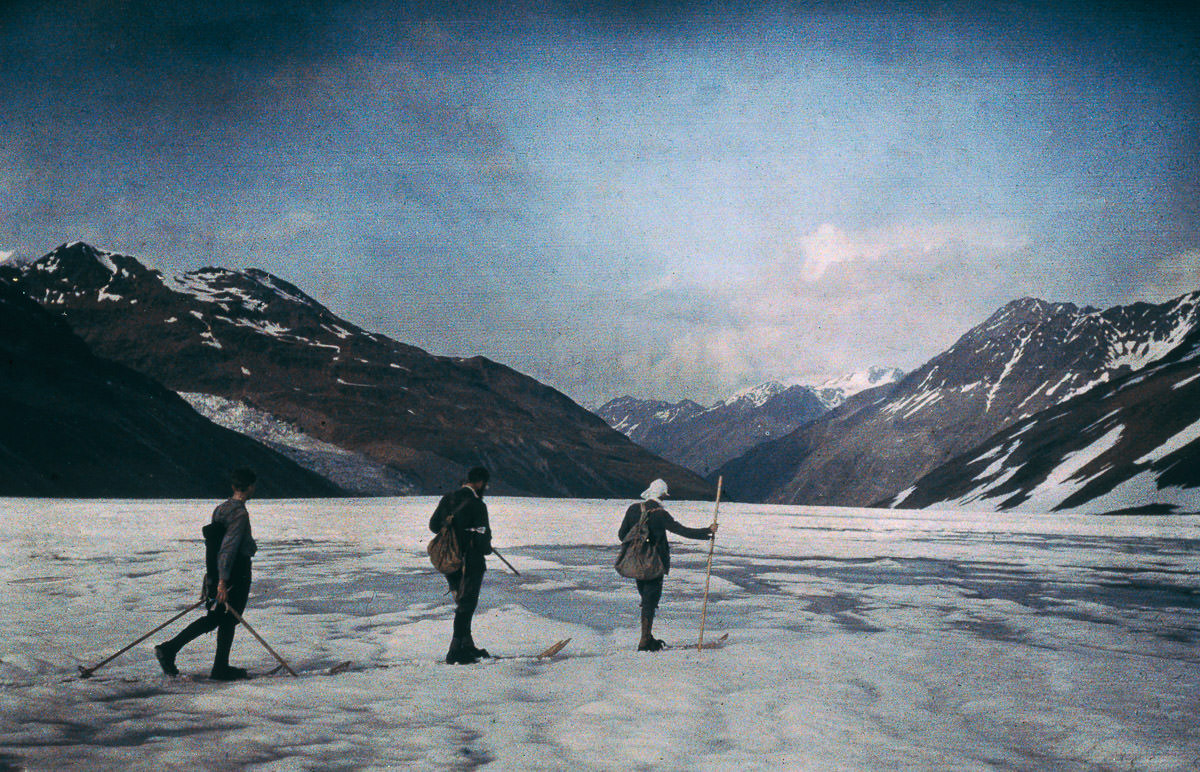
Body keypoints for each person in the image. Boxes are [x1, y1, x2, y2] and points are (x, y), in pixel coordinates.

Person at [154, 468, 259, 680]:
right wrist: (222, 581)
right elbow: (228, 547)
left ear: (233, 486)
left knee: (221, 617)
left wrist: (213, 577)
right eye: (253, 486)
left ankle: (218, 666)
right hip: (234, 572)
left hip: (219, 571)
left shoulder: (220, 509)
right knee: (224, 617)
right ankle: (173, 650)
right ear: (249, 487)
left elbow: (215, 547)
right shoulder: (240, 513)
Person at [618, 478, 716, 651]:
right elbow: (682, 531)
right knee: (650, 600)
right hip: (655, 562)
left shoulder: (633, 509)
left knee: (646, 598)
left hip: (637, 561)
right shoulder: (660, 513)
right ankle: (645, 640)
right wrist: (707, 531)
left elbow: (621, 535)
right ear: (662, 495)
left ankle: (646, 637)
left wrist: (641, 543)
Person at [430, 466, 493, 664]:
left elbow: (433, 526)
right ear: (480, 482)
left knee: (462, 601)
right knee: (467, 603)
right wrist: (486, 547)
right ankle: (455, 650)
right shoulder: (477, 505)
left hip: (450, 558)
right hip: (471, 560)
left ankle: (467, 644)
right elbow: (483, 543)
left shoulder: (448, 498)